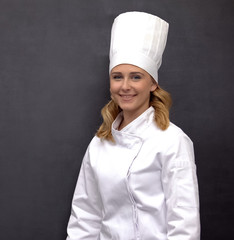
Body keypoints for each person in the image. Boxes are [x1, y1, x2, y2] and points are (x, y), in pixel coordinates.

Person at [66, 12, 200, 240]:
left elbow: (184, 223)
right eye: (117, 77)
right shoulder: (99, 143)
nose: (125, 86)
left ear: (153, 84)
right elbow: (86, 216)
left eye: (136, 77)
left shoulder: (172, 140)